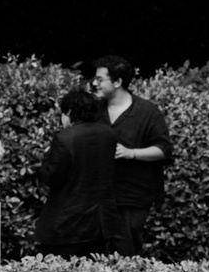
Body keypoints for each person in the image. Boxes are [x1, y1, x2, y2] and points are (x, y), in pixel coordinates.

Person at [89, 57, 172, 253]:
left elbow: (163, 149)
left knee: (127, 254)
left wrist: (131, 153)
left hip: (132, 198)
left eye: (100, 80)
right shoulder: (94, 110)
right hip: (96, 198)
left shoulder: (146, 111)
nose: (94, 84)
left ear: (117, 82)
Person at [35, 89, 119, 256]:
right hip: (99, 223)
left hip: (67, 223)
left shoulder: (64, 138)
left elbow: (52, 176)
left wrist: (47, 156)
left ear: (70, 112)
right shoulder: (109, 134)